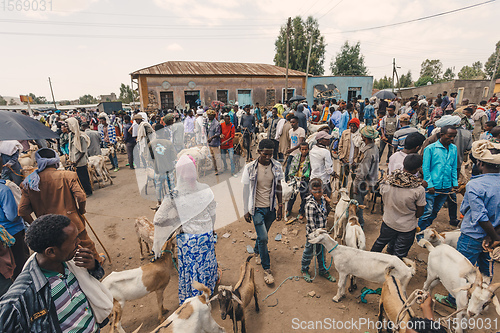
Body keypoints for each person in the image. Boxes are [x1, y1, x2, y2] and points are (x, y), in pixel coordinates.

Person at [0, 214, 111, 332]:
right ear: (51, 252)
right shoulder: (22, 295)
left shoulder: (71, 261)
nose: (79, 242)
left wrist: (92, 266)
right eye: (74, 241)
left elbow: (95, 279)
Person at [435, 140, 500, 308]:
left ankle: (453, 298)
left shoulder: (475, 185)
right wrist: (495, 237)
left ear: (480, 163)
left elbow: (480, 216)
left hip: (472, 235)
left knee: (462, 268)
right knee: (486, 267)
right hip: (492, 237)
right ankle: (483, 299)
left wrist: (493, 236)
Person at [19, 148, 102, 263]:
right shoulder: (68, 175)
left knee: (57, 251)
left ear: (38, 162)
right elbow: (81, 197)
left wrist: (36, 224)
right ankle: (97, 262)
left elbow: (22, 211)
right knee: (85, 244)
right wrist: (81, 210)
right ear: (56, 161)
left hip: (47, 228)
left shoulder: (29, 182)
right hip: (71, 222)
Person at [242, 139, 283, 285]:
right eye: (265, 154)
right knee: (264, 238)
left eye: (270, 154)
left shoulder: (277, 166)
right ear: (259, 152)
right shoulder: (250, 168)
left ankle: (257, 251)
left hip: (270, 208)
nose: (268, 157)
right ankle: (267, 269)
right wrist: (246, 210)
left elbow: (278, 186)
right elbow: (246, 190)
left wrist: (280, 206)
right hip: (256, 209)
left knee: (261, 235)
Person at [371, 154, 426, 258]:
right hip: (406, 228)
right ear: (417, 169)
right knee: (399, 254)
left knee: (379, 244)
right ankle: (393, 271)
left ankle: (370, 262)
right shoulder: (419, 189)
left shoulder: (387, 182)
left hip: (388, 222)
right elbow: (420, 213)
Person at [418, 126, 458, 231]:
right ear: (442, 135)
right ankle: (418, 231)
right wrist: (429, 184)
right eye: (450, 136)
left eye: (454, 136)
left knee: (435, 211)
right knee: (427, 212)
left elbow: (453, 167)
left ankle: (421, 229)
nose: (452, 139)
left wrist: (455, 183)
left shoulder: (454, 148)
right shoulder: (430, 149)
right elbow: (425, 168)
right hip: (432, 187)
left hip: (446, 186)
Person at [300, 178, 336, 283]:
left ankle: (322, 270)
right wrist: (318, 236)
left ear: (323, 190)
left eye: (320, 191)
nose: (318, 194)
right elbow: (311, 225)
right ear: (311, 191)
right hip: (313, 234)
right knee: (309, 252)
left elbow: (326, 213)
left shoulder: (323, 200)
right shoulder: (310, 205)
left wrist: (329, 203)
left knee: (322, 252)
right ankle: (304, 269)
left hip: (322, 233)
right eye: (315, 192)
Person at [0, 155, 29, 280]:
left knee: (8, 266)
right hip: (13, 233)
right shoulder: (4, 190)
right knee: (22, 265)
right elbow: (12, 216)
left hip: (2, 236)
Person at [353, 126, 380, 228]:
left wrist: (355, 187)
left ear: (365, 137)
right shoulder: (375, 147)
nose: (361, 136)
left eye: (362, 135)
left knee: (358, 205)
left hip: (363, 183)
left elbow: (362, 173)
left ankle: (360, 225)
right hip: (370, 180)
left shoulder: (367, 152)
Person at [66, 117, 93, 196]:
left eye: (67, 125)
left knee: (83, 177)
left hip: (80, 161)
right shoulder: (71, 135)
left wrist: (76, 162)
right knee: (78, 178)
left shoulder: (81, 137)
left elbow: (83, 151)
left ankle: (88, 192)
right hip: (74, 160)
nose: (66, 127)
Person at [287, 142, 311, 220]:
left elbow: (310, 169)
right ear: (300, 150)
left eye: (306, 149)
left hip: (304, 180)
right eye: (302, 149)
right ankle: (288, 209)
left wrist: (306, 175)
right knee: (292, 196)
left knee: (304, 197)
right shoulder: (296, 157)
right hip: (295, 179)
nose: (304, 151)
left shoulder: (310, 158)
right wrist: (292, 176)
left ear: (308, 149)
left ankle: (301, 212)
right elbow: (292, 167)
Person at [309, 131, 334, 202]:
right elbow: (328, 170)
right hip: (323, 181)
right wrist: (334, 174)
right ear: (320, 141)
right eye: (326, 139)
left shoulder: (312, 150)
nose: (329, 141)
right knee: (325, 201)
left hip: (313, 178)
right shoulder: (326, 152)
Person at [338, 118, 361, 189]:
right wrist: (342, 158)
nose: (353, 128)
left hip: (355, 163)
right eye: (351, 126)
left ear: (358, 126)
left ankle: (352, 195)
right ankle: (342, 193)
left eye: (354, 126)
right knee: (343, 179)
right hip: (345, 161)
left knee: (355, 180)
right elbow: (340, 147)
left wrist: (356, 161)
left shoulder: (360, 136)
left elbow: (361, 151)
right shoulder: (345, 133)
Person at [285, 116, 306, 182]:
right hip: (292, 153)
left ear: (297, 122)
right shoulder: (290, 131)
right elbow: (290, 141)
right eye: (291, 122)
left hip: (298, 154)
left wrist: (292, 149)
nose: (292, 124)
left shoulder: (301, 130)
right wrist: (289, 149)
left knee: (297, 170)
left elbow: (300, 143)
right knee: (287, 169)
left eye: (293, 122)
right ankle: (286, 182)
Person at [205, 109, 223, 176]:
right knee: (212, 157)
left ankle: (219, 169)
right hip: (209, 143)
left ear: (213, 116)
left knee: (217, 157)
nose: (208, 116)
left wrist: (211, 138)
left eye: (210, 115)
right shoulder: (208, 122)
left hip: (215, 142)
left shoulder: (217, 123)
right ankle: (215, 169)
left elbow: (218, 133)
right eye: (208, 115)